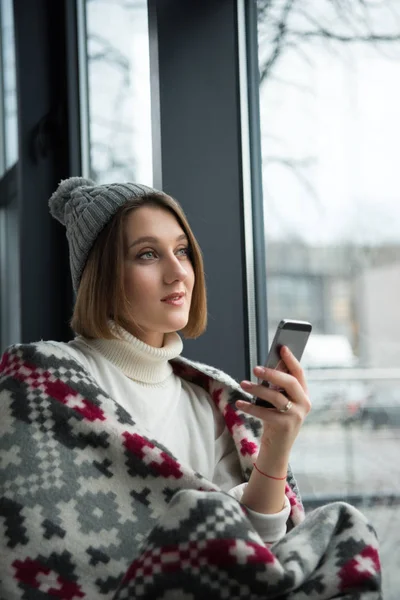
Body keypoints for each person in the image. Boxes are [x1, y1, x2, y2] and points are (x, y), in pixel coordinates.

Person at [0, 178, 381, 600]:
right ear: (101, 276)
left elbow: (253, 558)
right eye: (147, 254)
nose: (178, 271)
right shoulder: (42, 379)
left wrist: (276, 445)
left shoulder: (214, 398)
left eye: (181, 250)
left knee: (346, 529)